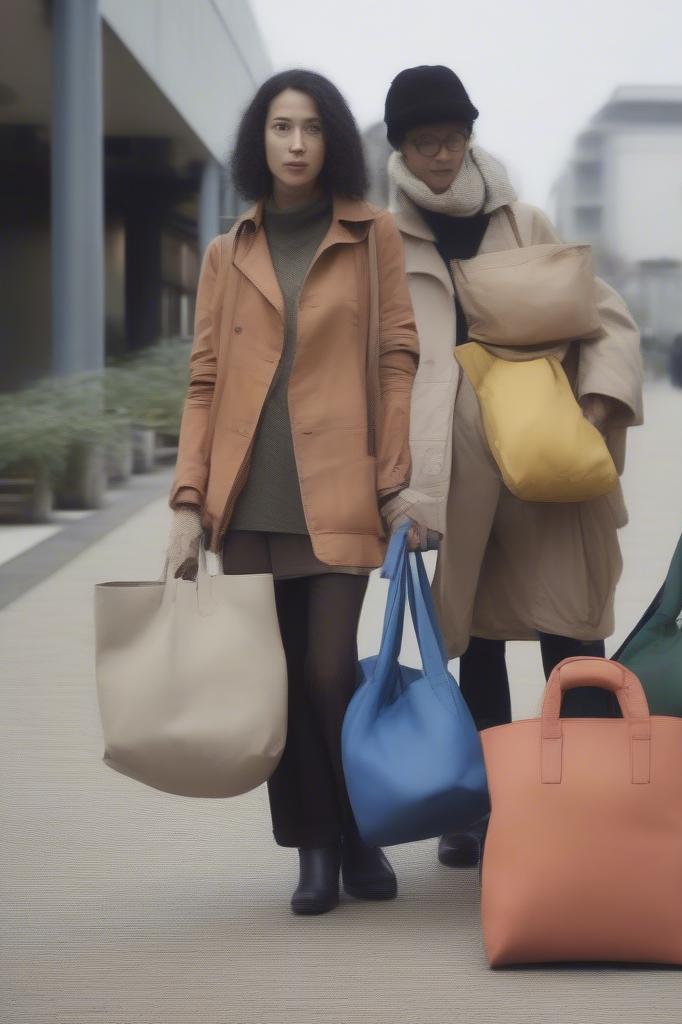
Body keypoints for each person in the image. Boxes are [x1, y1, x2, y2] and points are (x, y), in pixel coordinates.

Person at [165, 70, 419, 916]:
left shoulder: (372, 233)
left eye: (311, 127)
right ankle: (314, 850)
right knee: (276, 680)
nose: (298, 143)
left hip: (338, 485)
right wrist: (188, 502)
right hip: (249, 496)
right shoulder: (226, 250)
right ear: (260, 141)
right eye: (281, 127)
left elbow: (395, 356)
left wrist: (394, 484)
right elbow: (203, 379)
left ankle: (361, 832)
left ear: (333, 139)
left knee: (326, 672)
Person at [378, 66, 643, 868]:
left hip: (542, 458)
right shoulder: (381, 242)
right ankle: (485, 809)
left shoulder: (523, 220)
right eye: (424, 141)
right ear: (400, 147)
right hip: (454, 478)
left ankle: (595, 809)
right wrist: (393, 483)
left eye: (453, 138)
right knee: (475, 642)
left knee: (575, 631)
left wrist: (597, 406)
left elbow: (607, 320)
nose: (440, 155)